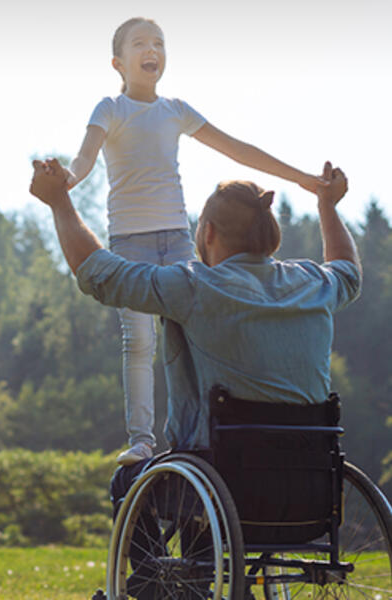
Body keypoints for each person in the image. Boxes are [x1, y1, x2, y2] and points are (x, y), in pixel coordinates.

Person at [64, 17, 328, 466]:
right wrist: (64, 182)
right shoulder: (110, 108)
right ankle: (143, 439)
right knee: (140, 341)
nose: (153, 49)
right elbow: (84, 157)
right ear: (118, 62)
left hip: (179, 240)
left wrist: (303, 179)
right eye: (140, 43)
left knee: (192, 335)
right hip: (130, 240)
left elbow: (237, 149)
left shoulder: (176, 110)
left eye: (159, 43)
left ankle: (201, 430)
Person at [28, 157, 361, 496]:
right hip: (306, 485)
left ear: (209, 232)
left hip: (219, 482)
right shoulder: (314, 283)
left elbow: (100, 274)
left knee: (126, 483)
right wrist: (327, 205)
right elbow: (348, 272)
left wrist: (59, 201)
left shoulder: (194, 286)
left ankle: (174, 553)